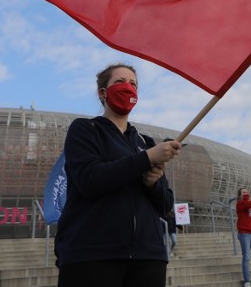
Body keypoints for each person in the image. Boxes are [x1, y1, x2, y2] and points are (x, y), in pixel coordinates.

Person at [55, 63, 182, 287]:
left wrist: (153, 184)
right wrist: (146, 159)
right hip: (92, 255)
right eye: (120, 82)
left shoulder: (145, 142)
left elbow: (165, 204)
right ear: (103, 93)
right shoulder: (85, 129)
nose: (128, 88)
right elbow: (89, 180)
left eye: (133, 84)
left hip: (148, 257)